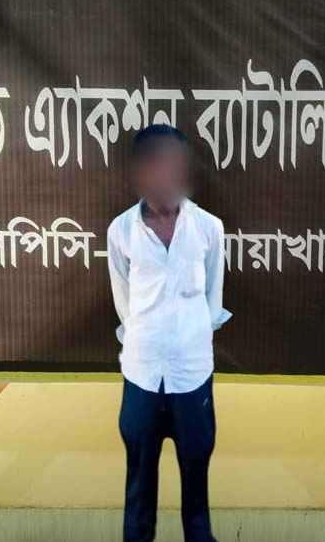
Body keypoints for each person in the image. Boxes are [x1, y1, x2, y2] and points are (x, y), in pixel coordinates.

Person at [106, 124, 232, 542]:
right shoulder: (121, 230)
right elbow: (124, 304)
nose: (166, 173)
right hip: (141, 374)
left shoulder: (209, 227)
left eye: (174, 164)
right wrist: (149, 339)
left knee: (197, 490)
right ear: (140, 170)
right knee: (139, 490)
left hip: (192, 374)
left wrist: (187, 340)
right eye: (156, 163)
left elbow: (212, 302)